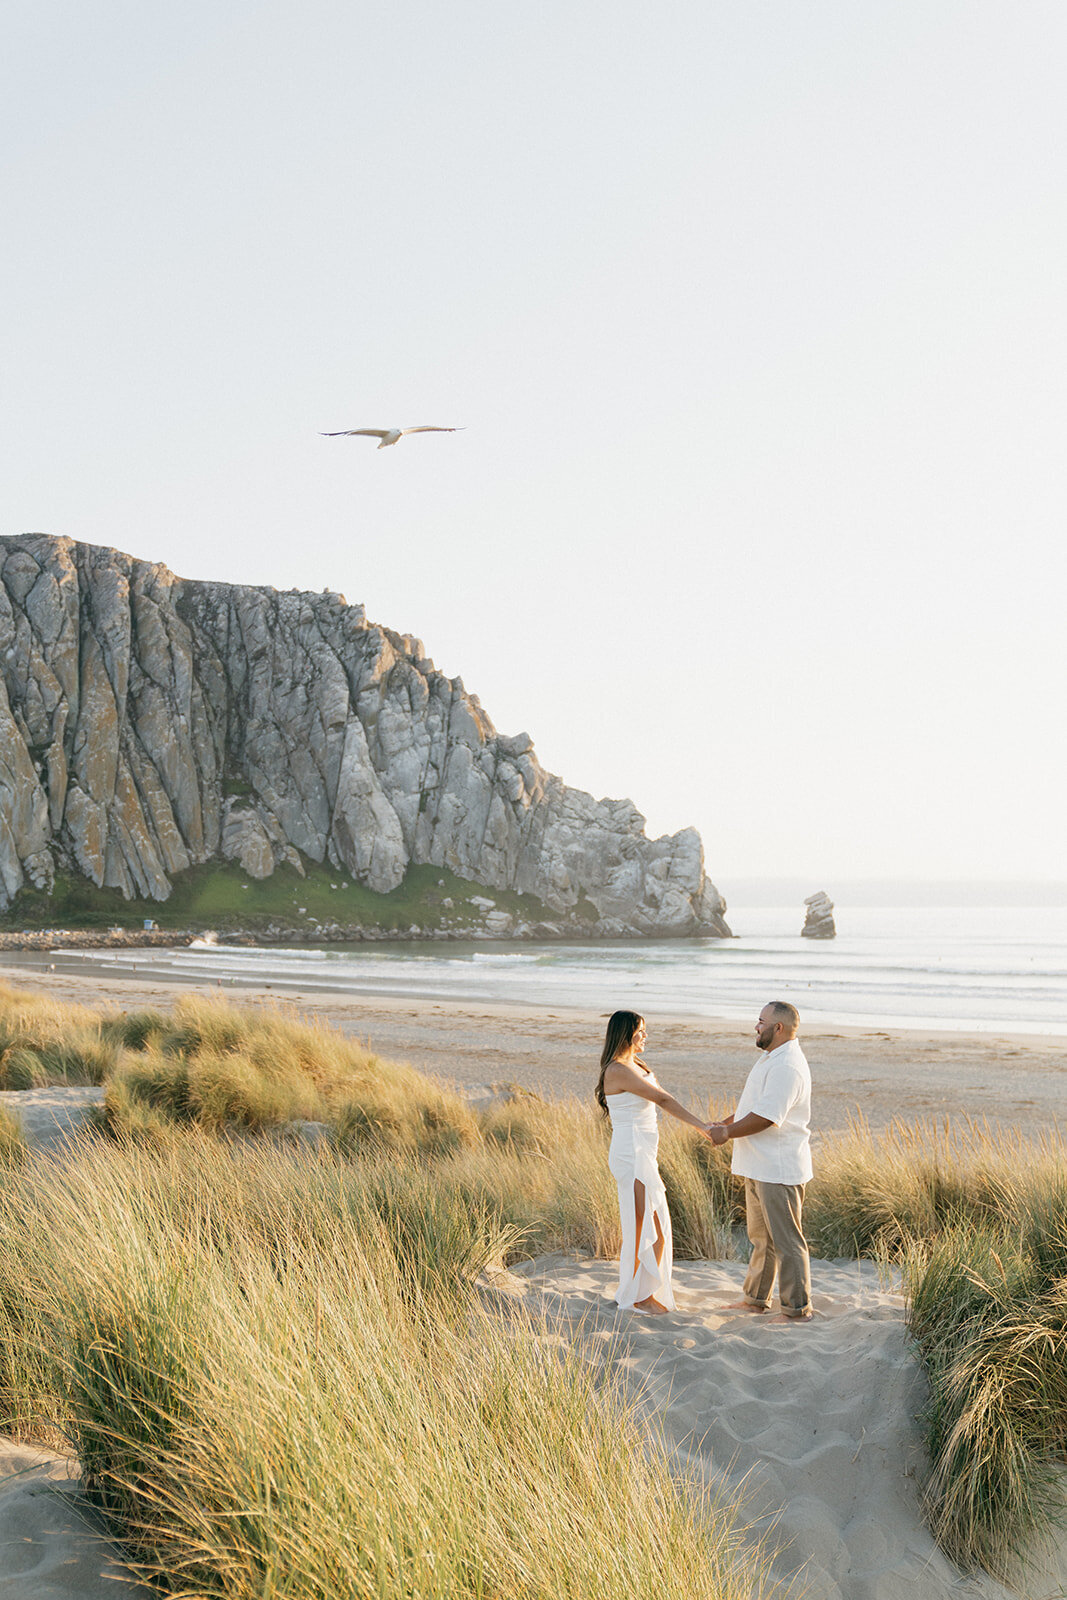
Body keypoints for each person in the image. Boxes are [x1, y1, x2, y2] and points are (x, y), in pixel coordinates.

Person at [596, 1010, 713, 1315]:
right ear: (625, 1034)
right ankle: (637, 1295)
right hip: (631, 1154)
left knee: (654, 1224)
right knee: (644, 1227)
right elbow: (661, 1099)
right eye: (640, 1031)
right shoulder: (617, 1070)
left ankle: (640, 1291)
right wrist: (703, 1127)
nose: (645, 1036)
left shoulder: (636, 1065)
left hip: (645, 1153)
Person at [708, 1001, 813, 1322]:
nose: (756, 1026)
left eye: (761, 1021)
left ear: (777, 1028)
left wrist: (727, 1133)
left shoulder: (787, 1066)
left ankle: (797, 1309)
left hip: (778, 1167)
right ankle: (755, 1300)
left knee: (787, 1242)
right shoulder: (772, 1057)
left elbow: (768, 1117)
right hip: (757, 1164)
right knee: (761, 1239)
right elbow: (753, 1107)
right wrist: (725, 1124)